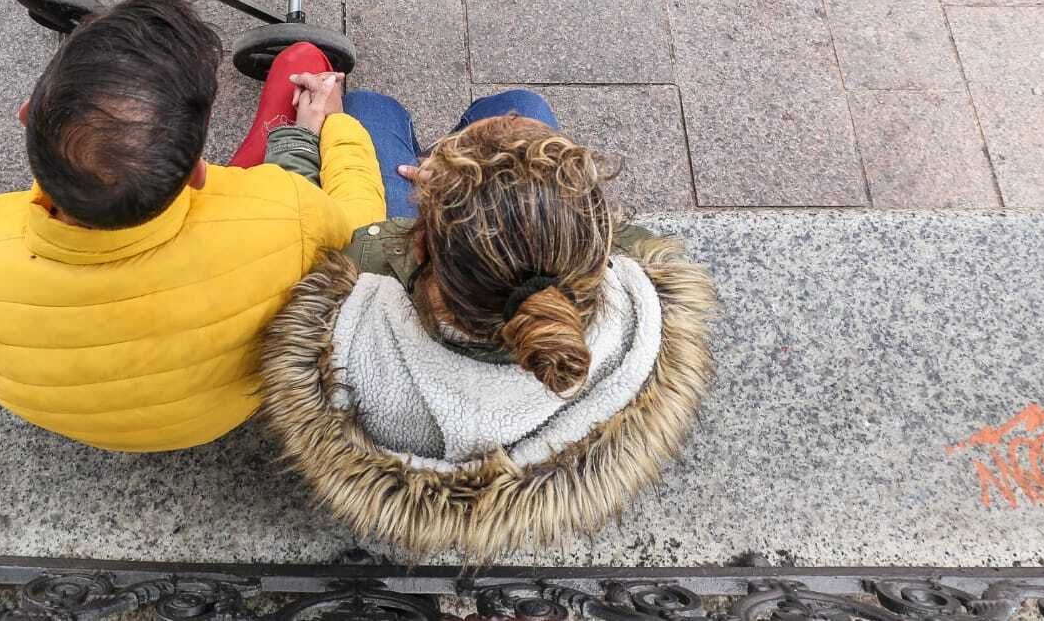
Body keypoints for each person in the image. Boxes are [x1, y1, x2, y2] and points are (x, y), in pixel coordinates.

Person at [259, 89, 718, 559]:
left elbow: (310, 238)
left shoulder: (357, 302)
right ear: (596, 250)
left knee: (368, 110)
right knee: (523, 106)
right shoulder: (637, 324)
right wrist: (494, 211)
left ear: (415, 246)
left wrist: (454, 200)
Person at [0, 0, 384, 453]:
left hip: (85, 419)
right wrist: (335, 126)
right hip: (215, 415)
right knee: (302, 61)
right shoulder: (286, 218)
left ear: (27, 114)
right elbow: (363, 229)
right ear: (197, 173)